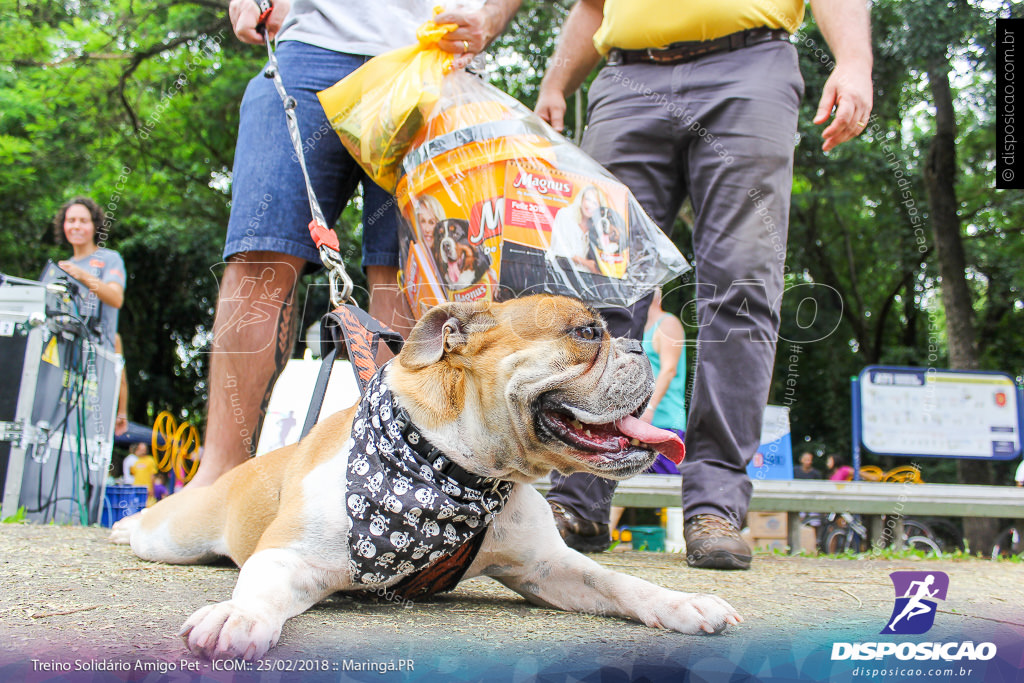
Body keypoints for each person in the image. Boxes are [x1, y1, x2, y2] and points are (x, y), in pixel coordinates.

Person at [536, 0, 872, 569]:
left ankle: (714, 504)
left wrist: (855, 62)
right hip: (625, 79)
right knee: (598, 290)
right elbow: (593, 6)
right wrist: (555, 83)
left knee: (740, 290)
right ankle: (579, 498)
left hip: (749, 67)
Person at [186, 0, 523, 489]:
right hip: (310, 47)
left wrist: (489, 18)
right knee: (259, 257)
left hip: (433, 53)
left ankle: (393, 478)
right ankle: (218, 482)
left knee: (406, 271)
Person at [46, 197, 126, 349]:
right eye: (71, 220)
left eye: (83, 221)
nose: (76, 226)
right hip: (66, 354)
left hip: (99, 355)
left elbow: (116, 298)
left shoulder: (110, 258)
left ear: (95, 225)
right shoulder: (64, 267)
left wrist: (82, 276)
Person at [548, 185, 604, 274]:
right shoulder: (565, 214)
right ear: (581, 199)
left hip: (584, 275)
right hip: (558, 270)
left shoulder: (597, 226)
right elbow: (559, 249)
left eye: (595, 203)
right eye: (588, 199)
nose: (590, 205)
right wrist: (586, 263)